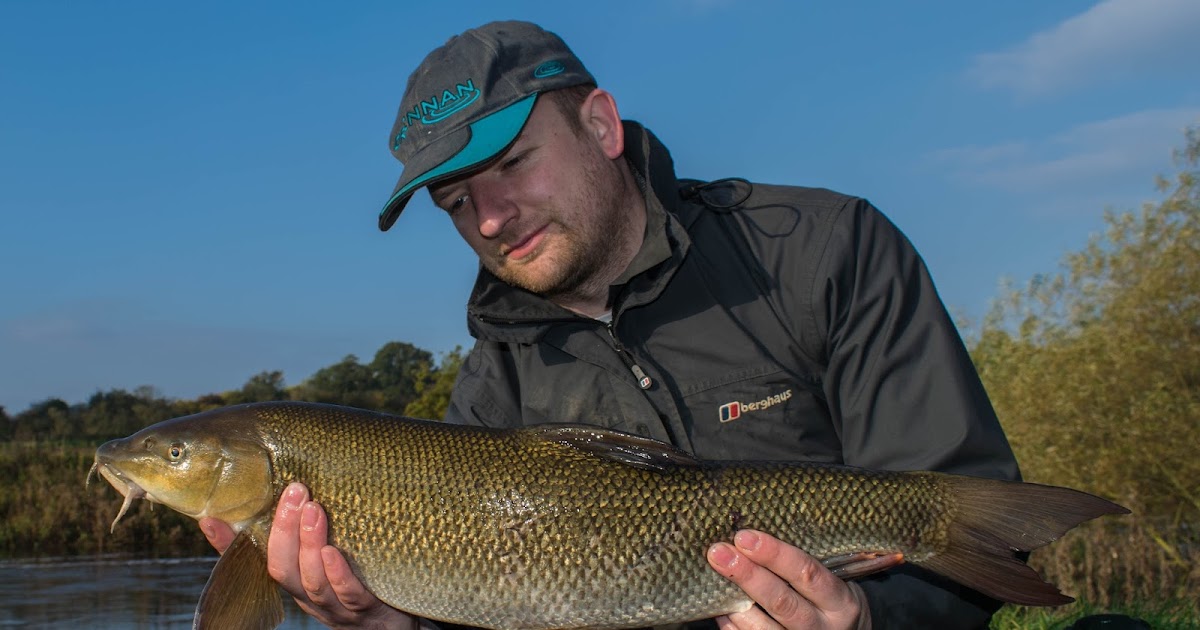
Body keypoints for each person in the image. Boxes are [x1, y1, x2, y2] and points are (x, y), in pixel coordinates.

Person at [203, 20, 1021, 629]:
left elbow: (970, 538)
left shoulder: (823, 251)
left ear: (600, 125)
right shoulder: (493, 389)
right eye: (455, 202)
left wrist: (868, 620)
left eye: (512, 164)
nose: (489, 218)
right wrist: (393, 623)